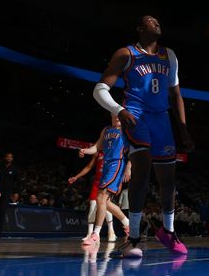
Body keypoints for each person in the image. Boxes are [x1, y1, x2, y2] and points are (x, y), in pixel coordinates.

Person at [92, 15, 192, 258]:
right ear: (139, 29)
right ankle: (133, 237)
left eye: (158, 21)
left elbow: (176, 95)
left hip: (162, 120)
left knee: (168, 181)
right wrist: (119, 110)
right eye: (150, 21)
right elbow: (99, 89)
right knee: (142, 170)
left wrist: (184, 129)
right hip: (136, 115)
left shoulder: (169, 55)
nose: (157, 23)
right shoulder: (125, 54)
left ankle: (168, 231)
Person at [80, 116, 132, 246]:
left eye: (120, 115)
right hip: (106, 165)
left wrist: (129, 168)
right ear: (111, 115)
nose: (118, 117)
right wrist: (85, 151)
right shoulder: (106, 129)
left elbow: (133, 150)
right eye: (115, 114)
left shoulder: (127, 130)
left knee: (101, 197)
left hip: (117, 163)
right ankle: (128, 224)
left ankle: (95, 234)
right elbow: (97, 147)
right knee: (105, 201)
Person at [68, 148, 112, 240]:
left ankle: (111, 232)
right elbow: (88, 167)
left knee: (107, 207)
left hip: (107, 182)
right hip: (96, 183)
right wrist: (76, 177)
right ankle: (89, 234)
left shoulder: (114, 151)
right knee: (92, 206)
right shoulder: (98, 153)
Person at [0, 151, 18, 239]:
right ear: (5, 158)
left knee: (1, 211)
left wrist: (15, 192)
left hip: (6, 193)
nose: (8, 158)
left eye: (10, 157)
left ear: (12, 159)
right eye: (7, 157)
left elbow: (17, 182)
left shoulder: (14, 169)